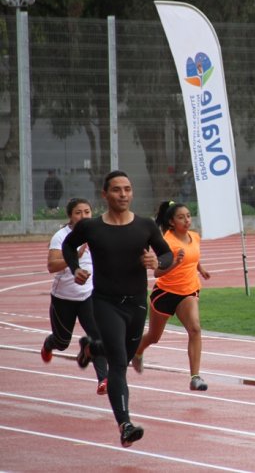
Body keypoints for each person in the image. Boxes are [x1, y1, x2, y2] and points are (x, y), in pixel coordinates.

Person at [62, 170, 173, 448]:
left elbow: (167, 254)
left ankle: (91, 348)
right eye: (116, 190)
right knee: (119, 364)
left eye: (127, 189)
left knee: (125, 351)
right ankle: (125, 424)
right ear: (105, 194)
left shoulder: (146, 226)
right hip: (105, 302)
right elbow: (68, 245)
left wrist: (156, 263)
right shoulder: (92, 227)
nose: (123, 195)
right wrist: (75, 268)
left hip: (135, 304)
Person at [131, 201, 211, 391]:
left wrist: (201, 268)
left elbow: (194, 257)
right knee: (153, 337)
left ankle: (195, 377)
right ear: (172, 222)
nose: (187, 220)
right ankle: (138, 351)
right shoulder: (167, 241)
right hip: (166, 294)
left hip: (188, 291)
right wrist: (175, 263)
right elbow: (157, 273)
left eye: (189, 216)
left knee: (195, 329)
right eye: (181, 217)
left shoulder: (194, 237)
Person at [42, 197, 109, 395]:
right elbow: (51, 266)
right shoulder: (61, 236)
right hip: (64, 298)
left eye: (87, 212)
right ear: (70, 216)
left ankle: (103, 379)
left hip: (89, 296)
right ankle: (49, 344)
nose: (83, 216)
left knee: (97, 337)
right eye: (78, 212)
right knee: (63, 343)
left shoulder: (97, 233)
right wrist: (74, 258)